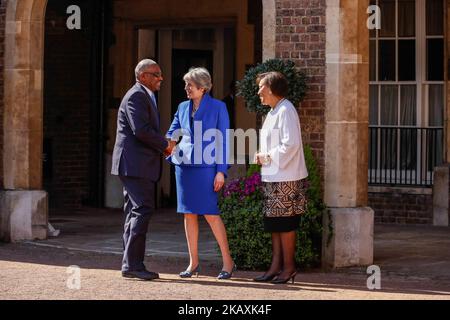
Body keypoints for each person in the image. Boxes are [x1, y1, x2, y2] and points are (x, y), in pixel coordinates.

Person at [166, 67, 235, 280]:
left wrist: (221, 172)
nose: (186, 88)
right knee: (188, 214)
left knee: (211, 215)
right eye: (186, 84)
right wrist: (170, 145)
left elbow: (224, 141)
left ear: (202, 88)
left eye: (190, 85)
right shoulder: (182, 107)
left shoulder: (218, 107)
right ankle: (193, 262)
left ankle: (228, 262)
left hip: (207, 169)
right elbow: (173, 131)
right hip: (184, 168)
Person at [111, 59, 173, 280]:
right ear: (143, 76)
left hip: (136, 164)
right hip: (135, 165)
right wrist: (166, 144)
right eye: (156, 74)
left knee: (134, 212)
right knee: (142, 210)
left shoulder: (144, 94)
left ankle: (130, 263)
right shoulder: (136, 95)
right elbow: (141, 131)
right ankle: (134, 265)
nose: (161, 78)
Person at [253, 71, 308, 284]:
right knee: (274, 225)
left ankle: (289, 268)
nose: (258, 91)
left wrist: (265, 157)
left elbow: (291, 144)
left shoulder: (286, 110)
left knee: (285, 225)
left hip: (286, 178)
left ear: (273, 89)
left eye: (262, 87)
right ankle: (275, 267)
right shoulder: (274, 111)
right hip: (274, 176)